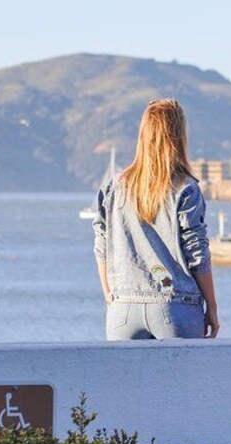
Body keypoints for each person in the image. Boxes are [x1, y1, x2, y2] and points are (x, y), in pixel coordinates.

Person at [93, 99, 220, 340]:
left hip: (123, 308)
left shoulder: (114, 186)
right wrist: (212, 308)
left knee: (125, 379)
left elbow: (102, 247)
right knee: (180, 379)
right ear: (179, 137)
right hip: (176, 306)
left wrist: (111, 296)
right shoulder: (186, 188)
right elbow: (197, 254)